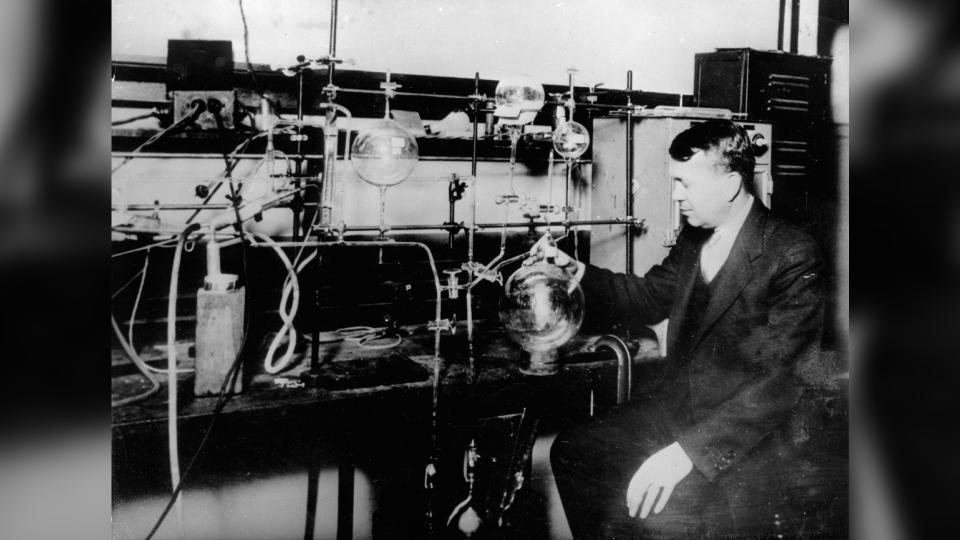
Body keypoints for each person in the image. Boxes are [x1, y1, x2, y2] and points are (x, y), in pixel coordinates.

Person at [528, 119, 827, 538]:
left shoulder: (790, 253)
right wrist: (574, 271)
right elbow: (648, 296)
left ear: (730, 184)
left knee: (664, 512)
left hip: (745, 438)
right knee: (577, 450)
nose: (675, 194)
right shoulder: (695, 238)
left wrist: (686, 453)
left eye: (685, 183)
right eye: (674, 181)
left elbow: (781, 381)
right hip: (678, 412)